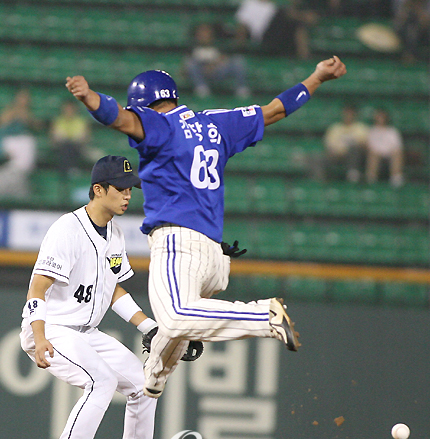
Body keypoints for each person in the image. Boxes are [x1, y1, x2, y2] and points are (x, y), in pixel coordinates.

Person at [65, 55, 347, 399]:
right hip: (214, 257)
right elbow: (275, 110)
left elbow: (119, 118)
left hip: (177, 244)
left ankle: (263, 316)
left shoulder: (159, 124)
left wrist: (89, 98)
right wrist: (316, 77)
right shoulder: (216, 123)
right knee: (169, 340)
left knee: (174, 317)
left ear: (145, 105)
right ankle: (153, 377)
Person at [20, 155, 175, 439]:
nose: (127, 195)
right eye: (120, 188)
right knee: (101, 381)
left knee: (143, 384)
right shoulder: (67, 229)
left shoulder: (115, 233)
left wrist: (147, 326)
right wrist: (39, 336)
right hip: (53, 328)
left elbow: (112, 288)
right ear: (98, 190)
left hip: (87, 332)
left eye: (130, 189)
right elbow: (37, 286)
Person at [184, 22, 250, 99]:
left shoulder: (218, 45)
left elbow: (225, 58)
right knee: (191, 64)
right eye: (201, 34)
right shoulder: (193, 48)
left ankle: (241, 88)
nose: (204, 35)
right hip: (202, 73)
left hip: (218, 71)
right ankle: (201, 88)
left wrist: (213, 65)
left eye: (206, 33)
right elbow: (187, 64)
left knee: (238, 60)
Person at [235, 0, 319, 60]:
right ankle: (304, 17)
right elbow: (242, 28)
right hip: (265, 36)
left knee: (297, 26)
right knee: (284, 13)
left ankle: (304, 57)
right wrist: (239, 47)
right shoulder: (249, 3)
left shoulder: (272, 4)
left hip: (280, 33)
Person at [0, 89, 39, 199]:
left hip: (22, 146)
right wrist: (15, 112)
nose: (23, 101)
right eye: (21, 98)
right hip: (9, 142)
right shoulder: (10, 110)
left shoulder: (29, 113)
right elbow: (2, 121)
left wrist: (25, 116)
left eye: (25, 99)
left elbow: (37, 126)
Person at [322, 104, 369, 183]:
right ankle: (321, 183)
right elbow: (329, 145)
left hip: (356, 156)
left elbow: (364, 143)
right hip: (337, 155)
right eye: (347, 113)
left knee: (354, 149)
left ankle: (353, 174)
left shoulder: (361, 128)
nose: (348, 116)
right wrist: (339, 151)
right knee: (319, 158)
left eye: (351, 114)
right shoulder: (335, 128)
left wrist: (347, 149)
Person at [50, 99, 92, 177]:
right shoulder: (58, 121)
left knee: (70, 146)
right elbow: (55, 137)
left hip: (78, 147)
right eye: (66, 108)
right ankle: (70, 170)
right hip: (61, 146)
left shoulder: (81, 121)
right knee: (66, 146)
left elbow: (84, 137)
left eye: (70, 109)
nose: (68, 111)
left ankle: (68, 170)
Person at [365, 108, 404, 187]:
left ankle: (396, 178)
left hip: (390, 154)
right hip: (376, 154)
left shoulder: (392, 131)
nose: (380, 119)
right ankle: (371, 178)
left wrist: (388, 152)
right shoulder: (371, 131)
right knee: (373, 154)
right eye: (379, 117)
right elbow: (369, 146)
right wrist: (378, 151)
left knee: (397, 153)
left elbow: (397, 146)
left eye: (382, 117)